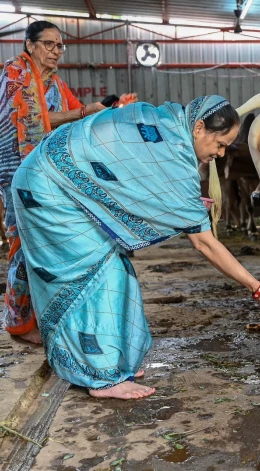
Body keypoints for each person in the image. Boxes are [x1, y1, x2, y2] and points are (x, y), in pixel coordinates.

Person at [11, 94, 260, 400]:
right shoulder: (174, 150)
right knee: (100, 277)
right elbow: (205, 244)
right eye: (220, 144)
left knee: (119, 272)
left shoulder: (168, 126)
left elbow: (133, 180)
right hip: (45, 188)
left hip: (55, 179)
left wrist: (181, 207)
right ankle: (101, 377)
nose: (221, 154)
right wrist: (256, 286)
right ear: (198, 129)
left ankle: (113, 360)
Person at [0, 20, 137, 344]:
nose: (56, 51)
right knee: (22, 243)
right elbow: (30, 121)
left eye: (60, 45)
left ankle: (49, 314)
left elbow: (80, 118)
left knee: (49, 244)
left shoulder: (56, 85)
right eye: (49, 44)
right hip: (16, 173)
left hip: (47, 175)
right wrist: (80, 114)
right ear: (30, 45)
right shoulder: (14, 74)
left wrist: (110, 111)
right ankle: (19, 322)